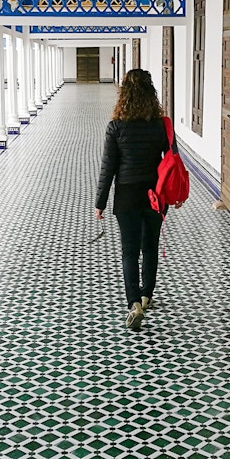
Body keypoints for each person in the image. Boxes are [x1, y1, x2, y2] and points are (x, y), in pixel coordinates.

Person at [95, 69, 183, 330]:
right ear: (151, 93)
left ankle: (133, 302)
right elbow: (173, 160)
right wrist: (176, 193)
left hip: (127, 196)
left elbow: (108, 168)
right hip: (156, 194)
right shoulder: (161, 124)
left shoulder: (116, 127)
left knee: (129, 251)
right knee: (150, 247)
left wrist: (100, 202)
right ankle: (146, 295)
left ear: (124, 94)